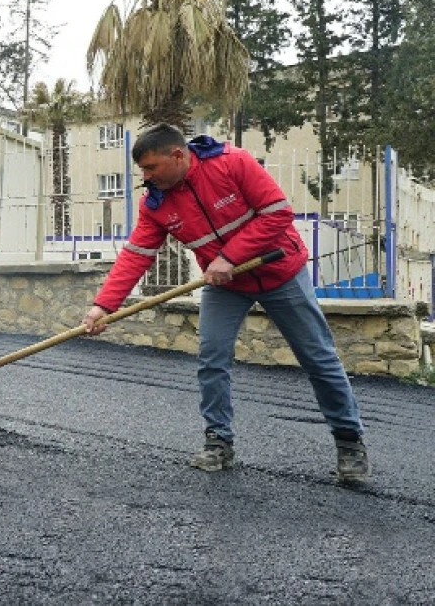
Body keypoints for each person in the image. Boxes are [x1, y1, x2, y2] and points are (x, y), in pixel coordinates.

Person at [81, 123, 370, 483]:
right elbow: (136, 255)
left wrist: (230, 257)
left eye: (151, 168)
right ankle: (218, 440)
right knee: (212, 357)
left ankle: (349, 443)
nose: (146, 176)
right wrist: (104, 306)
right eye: (143, 170)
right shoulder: (155, 202)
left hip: (280, 271)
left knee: (318, 357)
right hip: (226, 285)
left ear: (177, 155)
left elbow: (277, 213)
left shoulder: (233, 163)